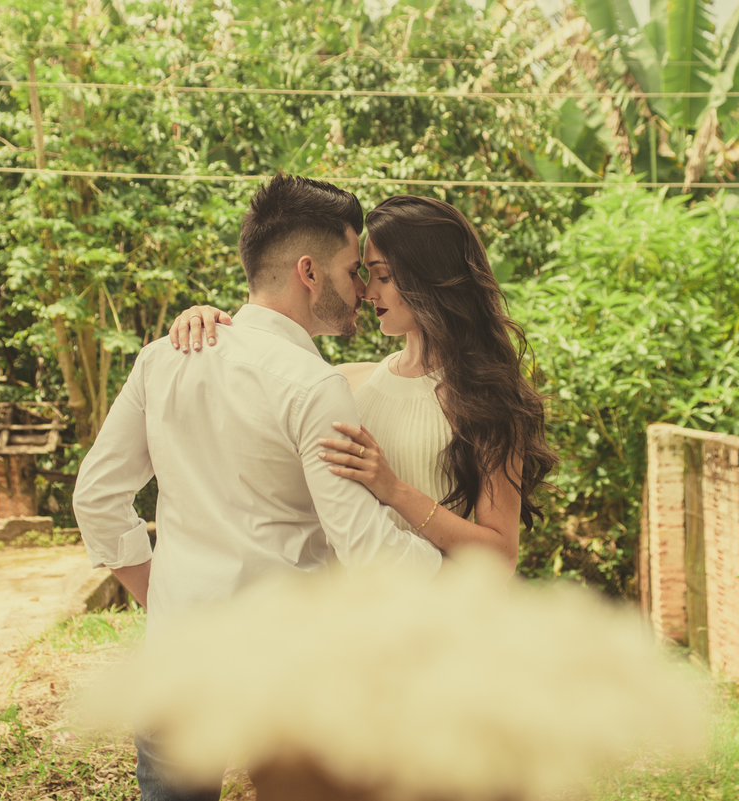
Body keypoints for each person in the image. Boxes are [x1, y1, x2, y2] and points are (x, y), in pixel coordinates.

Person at [72, 176, 443, 801]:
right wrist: (451, 569)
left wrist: (159, 596)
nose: (362, 288)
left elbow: (96, 498)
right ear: (308, 272)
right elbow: (363, 545)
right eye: (353, 269)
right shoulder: (313, 386)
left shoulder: (164, 358)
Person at [170, 195, 557, 569]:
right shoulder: (343, 380)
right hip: (340, 605)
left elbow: (501, 557)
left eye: (383, 276)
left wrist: (395, 490)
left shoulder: (483, 400)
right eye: (364, 273)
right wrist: (214, 325)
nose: (368, 292)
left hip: (436, 604)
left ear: (431, 279)